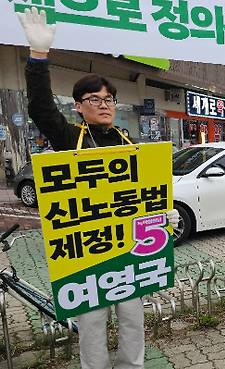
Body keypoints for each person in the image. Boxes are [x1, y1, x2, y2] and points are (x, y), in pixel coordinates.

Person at [18, 8, 179, 369]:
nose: (104, 105)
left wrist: (161, 214)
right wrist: (39, 57)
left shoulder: (128, 141)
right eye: (95, 99)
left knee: (133, 320)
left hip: (129, 251)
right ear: (78, 107)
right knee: (91, 324)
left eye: (108, 99)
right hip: (89, 253)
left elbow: (142, 191)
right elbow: (41, 108)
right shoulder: (68, 137)